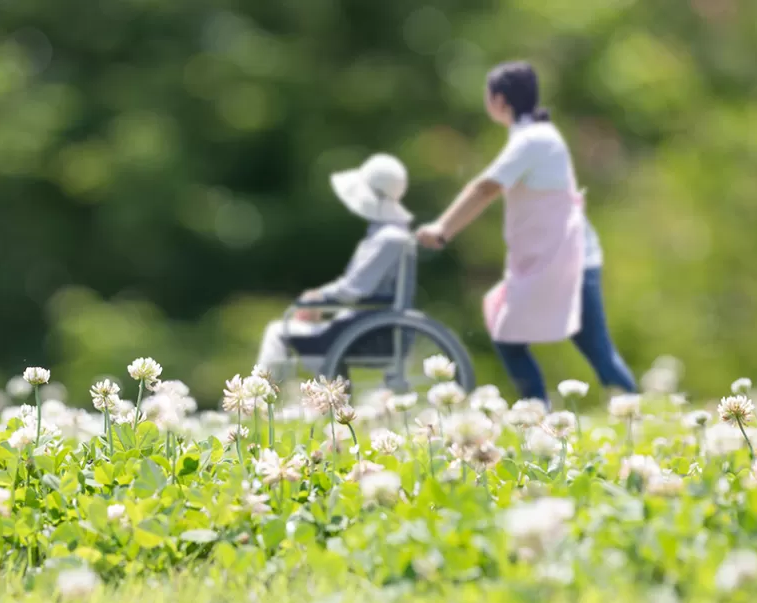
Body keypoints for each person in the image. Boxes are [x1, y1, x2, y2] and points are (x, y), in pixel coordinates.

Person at [414, 60, 637, 403]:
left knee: (592, 351)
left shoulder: (533, 141)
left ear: (500, 100)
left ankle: (558, 415)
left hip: (568, 262)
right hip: (554, 260)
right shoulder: (534, 137)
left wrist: (442, 229)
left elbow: (484, 189)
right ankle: (541, 417)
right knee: (517, 336)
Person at [255, 153, 413, 380]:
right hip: (374, 325)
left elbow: (355, 290)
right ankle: (326, 394)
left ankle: (257, 397)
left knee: (277, 331)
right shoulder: (393, 235)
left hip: (373, 331)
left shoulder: (388, 239)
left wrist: (317, 297)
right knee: (297, 328)